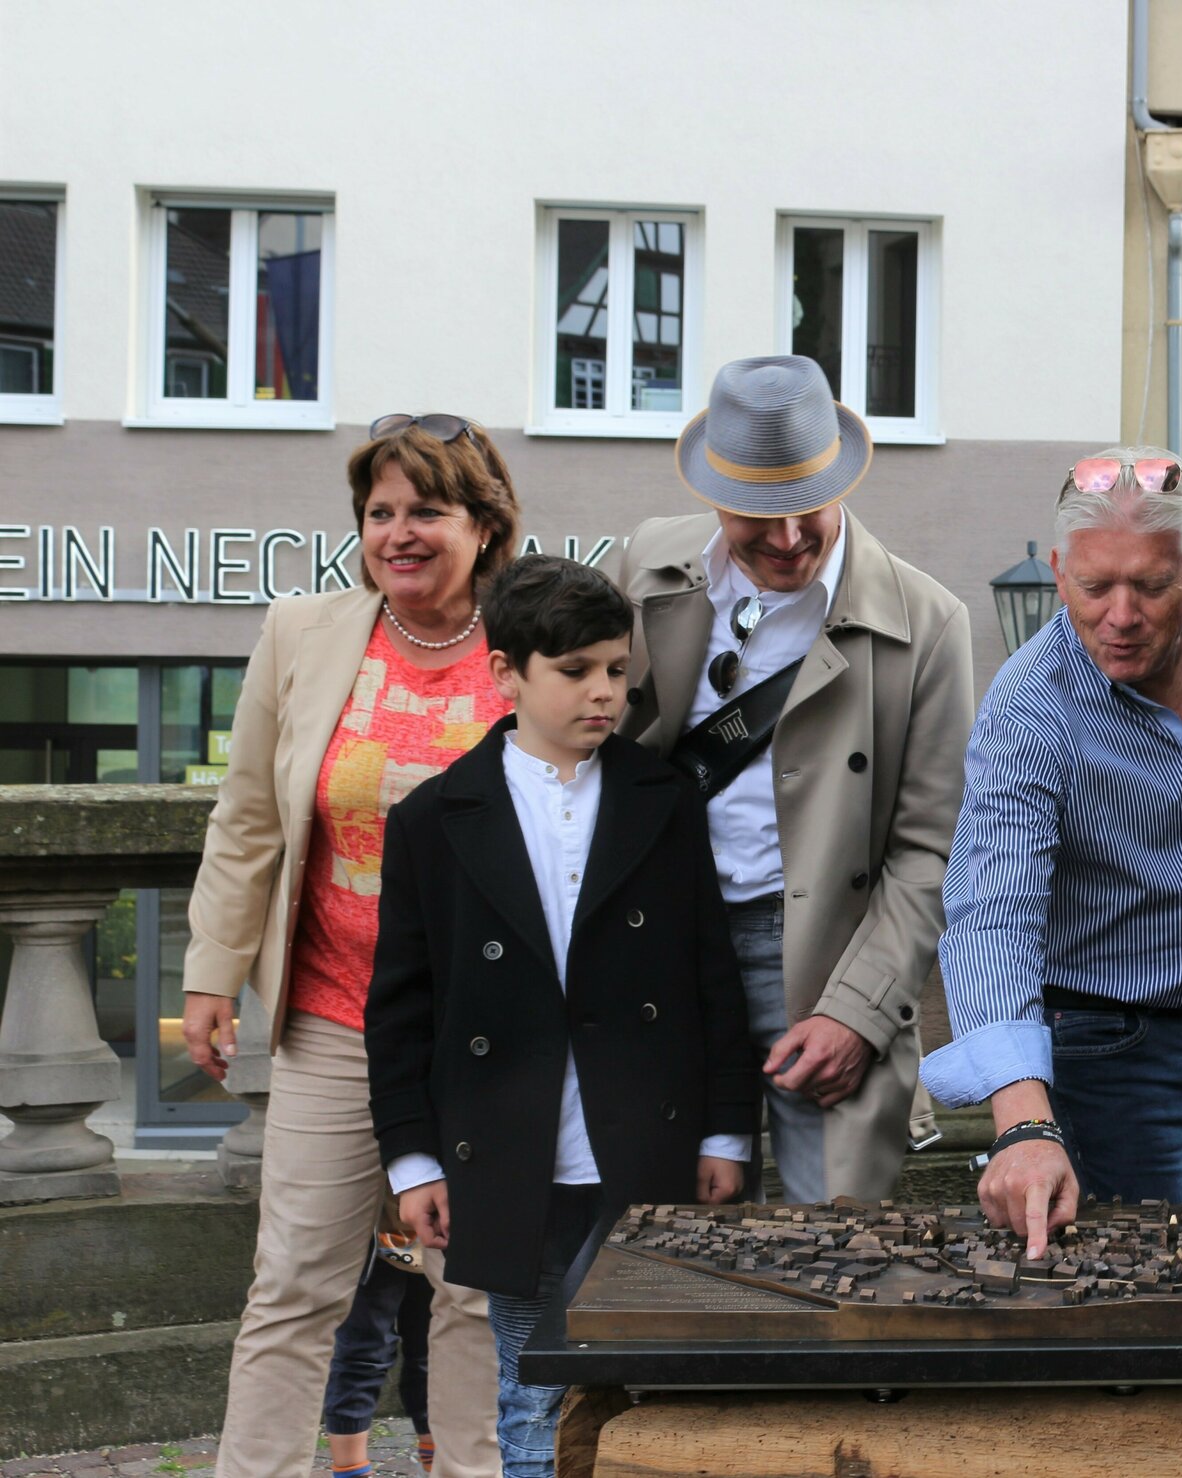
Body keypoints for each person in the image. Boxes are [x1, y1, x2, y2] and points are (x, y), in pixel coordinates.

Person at [364, 555, 756, 1477]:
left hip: (647, 1147)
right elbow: (401, 1008)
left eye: (616, 671)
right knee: (532, 1395)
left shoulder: (664, 800)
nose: (604, 693)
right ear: (505, 673)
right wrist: (415, 1160)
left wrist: (729, 1133)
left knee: (663, 1389)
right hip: (511, 1158)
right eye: (574, 671)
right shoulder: (433, 817)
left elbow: (712, 980)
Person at [182, 412, 516, 1478]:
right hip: (332, 1017)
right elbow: (246, 819)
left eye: (428, 509)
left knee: (471, 1288)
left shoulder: (535, 636)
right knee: (292, 1284)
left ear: (484, 521)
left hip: (484, 1035)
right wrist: (210, 970)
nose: (400, 532)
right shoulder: (305, 630)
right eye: (380, 512)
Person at [921, 448, 1182, 1260]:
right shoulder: (1029, 708)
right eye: (1096, 586)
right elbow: (992, 913)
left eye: (1150, 585)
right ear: (1059, 575)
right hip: (1103, 1051)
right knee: (1139, 1289)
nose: (1120, 615)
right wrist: (1025, 1122)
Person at [610, 355, 974, 1204]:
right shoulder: (646, 568)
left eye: (805, 510)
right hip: (668, 947)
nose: (785, 540)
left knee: (832, 1251)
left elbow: (931, 852)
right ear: (714, 496)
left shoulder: (928, 622)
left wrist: (859, 1008)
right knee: (660, 1246)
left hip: (823, 961)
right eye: (756, 516)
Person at [320, 1206, 434, 1478]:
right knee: (363, 1351)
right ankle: (351, 1470)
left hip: (437, 1219)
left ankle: (436, 1463)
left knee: (435, 1352)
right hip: (370, 1215)